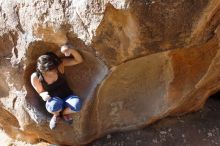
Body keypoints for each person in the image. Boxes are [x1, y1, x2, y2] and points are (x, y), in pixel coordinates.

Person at [30, 44, 83, 129]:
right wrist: (43, 95)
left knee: (77, 105)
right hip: (53, 100)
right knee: (54, 105)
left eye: (55, 68)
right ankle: (56, 115)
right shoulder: (36, 77)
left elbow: (78, 60)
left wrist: (71, 50)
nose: (55, 71)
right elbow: (41, 92)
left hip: (67, 96)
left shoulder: (59, 65)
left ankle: (63, 113)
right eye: (51, 71)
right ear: (43, 71)